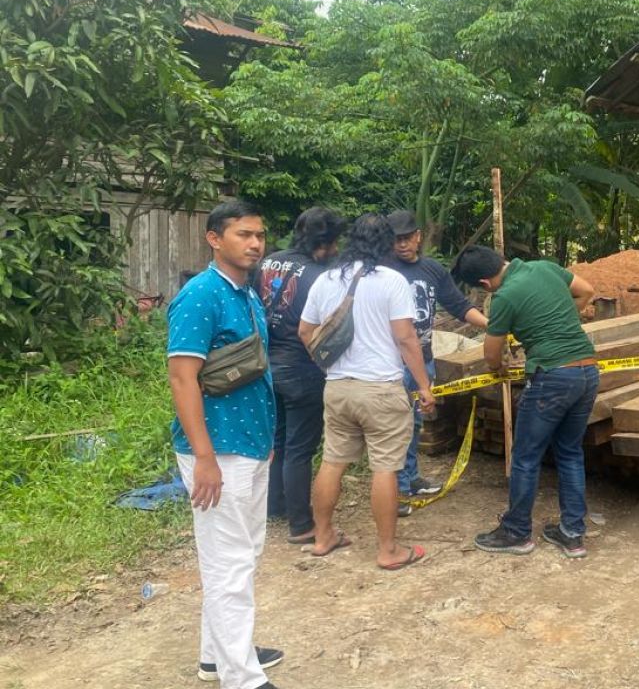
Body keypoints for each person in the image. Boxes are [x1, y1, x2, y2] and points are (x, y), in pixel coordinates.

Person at [166, 200, 283, 689]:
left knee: (243, 554)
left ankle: (217, 655)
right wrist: (205, 459)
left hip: (251, 444)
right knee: (228, 561)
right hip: (218, 450)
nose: (255, 243)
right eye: (243, 234)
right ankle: (242, 678)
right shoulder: (201, 296)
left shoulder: (246, 295)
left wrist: (268, 442)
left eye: (259, 235)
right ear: (214, 238)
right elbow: (181, 377)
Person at [298, 213, 436, 570]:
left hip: (338, 388)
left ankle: (323, 535)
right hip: (381, 389)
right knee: (386, 468)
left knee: (332, 462)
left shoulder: (326, 279)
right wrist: (423, 386)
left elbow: (305, 331)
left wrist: (328, 367)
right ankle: (388, 550)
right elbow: (406, 338)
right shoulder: (391, 280)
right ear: (387, 242)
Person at [450, 245, 598, 559]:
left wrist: (498, 368)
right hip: (587, 370)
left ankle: (516, 532)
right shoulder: (545, 267)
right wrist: (561, 321)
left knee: (525, 456)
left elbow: (491, 353)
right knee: (570, 452)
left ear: (485, 284)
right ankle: (572, 535)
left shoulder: (503, 297)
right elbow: (587, 290)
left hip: (552, 377)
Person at [384, 209, 488, 513]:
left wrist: (489, 324)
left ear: (418, 237)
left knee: (414, 423)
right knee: (395, 426)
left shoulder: (432, 270)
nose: (402, 245)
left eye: (407, 238)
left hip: (423, 359)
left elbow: (458, 305)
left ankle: (411, 477)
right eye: (395, 240)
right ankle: (397, 491)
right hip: (390, 362)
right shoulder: (381, 270)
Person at [257, 207, 345, 545]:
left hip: (265, 366)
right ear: (325, 242)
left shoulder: (269, 261)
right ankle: (301, 524)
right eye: (335, 242)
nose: (337, 249)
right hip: (301, 369)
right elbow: (323, 327)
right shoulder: (319, 276)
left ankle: (275, 505)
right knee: (300, 448)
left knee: (278, 440)